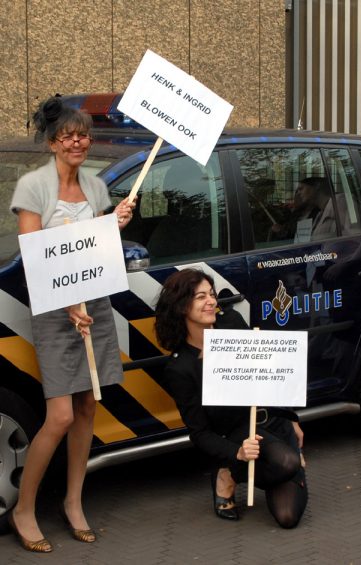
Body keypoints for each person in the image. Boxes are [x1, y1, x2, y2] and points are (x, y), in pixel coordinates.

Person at [8, 97, 135, 552]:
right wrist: (66, 307)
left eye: (83, 134)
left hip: (94, 307)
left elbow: (96, 247)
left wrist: (113, 222)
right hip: (55, 311)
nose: (77, 141)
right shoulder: (33, 187)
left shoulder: (96, 187)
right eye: (68, 135)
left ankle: (74, 503)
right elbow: (33, 257)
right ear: (51, 142)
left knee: (87, 410)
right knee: (59, 414)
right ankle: (25, 509)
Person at [154, 269, 307, 528]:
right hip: (240, 433)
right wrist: (237, 452)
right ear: (181, 306)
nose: (211, 301)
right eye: (200, 297)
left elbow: (267, 373)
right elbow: (200, 433)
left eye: (211, 294)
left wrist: (291, 418)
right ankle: (229, 470)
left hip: (273, 422)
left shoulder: (232, 322)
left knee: (287, 516)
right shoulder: (180, 367)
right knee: (288, 462)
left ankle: (240, 471)